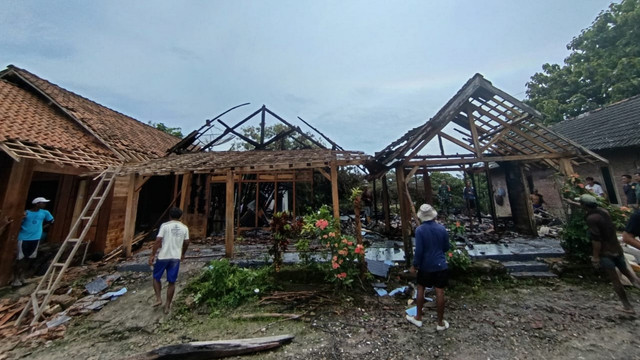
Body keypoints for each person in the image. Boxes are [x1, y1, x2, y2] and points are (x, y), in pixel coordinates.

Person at [581, 194, 640, 313]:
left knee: (615, 280)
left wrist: (596, 257)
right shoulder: (604, 212)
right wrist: (571, 202)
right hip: (617, 250)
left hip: (606, 253)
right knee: (630, 275)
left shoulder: (591, 219)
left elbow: (596, 240)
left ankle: (627, 306)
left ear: (584, 206)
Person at [406, 204, 450, 331]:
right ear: (433, 215)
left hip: (425, 266)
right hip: (441, 265)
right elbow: (446, 247)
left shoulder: (420, 230)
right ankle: (440, 322)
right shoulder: (442, 229)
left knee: (421, 289)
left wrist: (415, 265)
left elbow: (419, 251)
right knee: (440, 292)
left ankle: (418, 318)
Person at [148, 207, 190, 314]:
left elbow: (158, 241)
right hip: (175, 258)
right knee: (172, 282)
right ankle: (167, 305)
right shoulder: (184, 228)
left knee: (156, 277)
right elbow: (186, 242)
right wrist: (183, 253)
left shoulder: (165, 226)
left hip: (163, 256)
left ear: (170, 216)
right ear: (180, 217)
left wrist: (153, 254)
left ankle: (158, 298)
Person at [12, 197, 54, 287]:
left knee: (29, 258)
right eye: (43, 203)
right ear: (37, 204)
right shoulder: (26, 213)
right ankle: (15, 278)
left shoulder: (45, 213)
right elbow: (17, 223)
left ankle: (22, 276)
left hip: (35, 238)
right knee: (20, 258)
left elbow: (51, 221)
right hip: (23, 238)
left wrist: (42, 228)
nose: (44, 204)